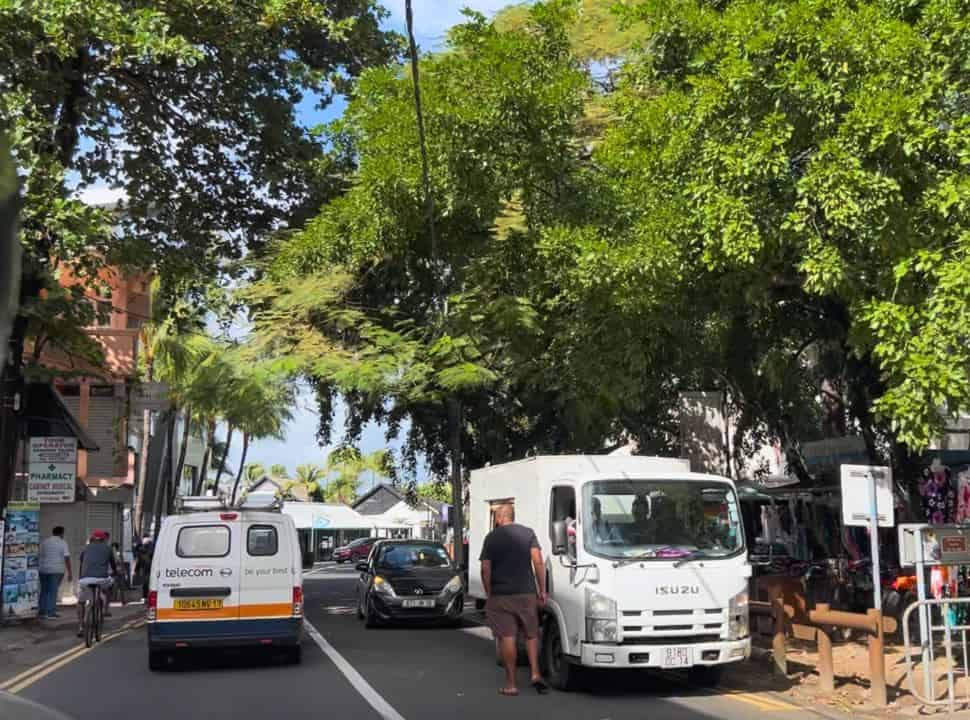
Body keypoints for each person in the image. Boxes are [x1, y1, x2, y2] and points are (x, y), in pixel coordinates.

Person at [479, 504, 548, 697]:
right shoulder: (528, 533)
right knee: (531, 634)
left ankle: (511, 684)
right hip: (526, 593)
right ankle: (535, 674)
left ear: (499, 518)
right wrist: (542, 590)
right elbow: (538, 562)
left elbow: (485, 569)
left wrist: (489, 593)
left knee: (508, 637)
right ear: (512, 516)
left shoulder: (491, 538)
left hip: (501, 595)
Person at [76, 530, 117, 637]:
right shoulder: (108, 548)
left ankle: (80, 626)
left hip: (85, 579)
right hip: (102, 579)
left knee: (80, 602)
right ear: (104, 539)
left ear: (92, 538)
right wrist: (115, 574)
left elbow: (81, 564)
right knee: (110, 585)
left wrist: (81, 577)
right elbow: (113, 565)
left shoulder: (85, 548)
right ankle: (103, 606)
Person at [38, 526, 72, 619]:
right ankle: (51, 612)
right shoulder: (63, 543)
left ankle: (42, 611)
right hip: (57, 570)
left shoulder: (45, 542)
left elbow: (40, 555)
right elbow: (67, 558)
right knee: (53, 591)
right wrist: (70, 572)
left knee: (44, 590)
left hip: (43, 569)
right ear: (61, 533)